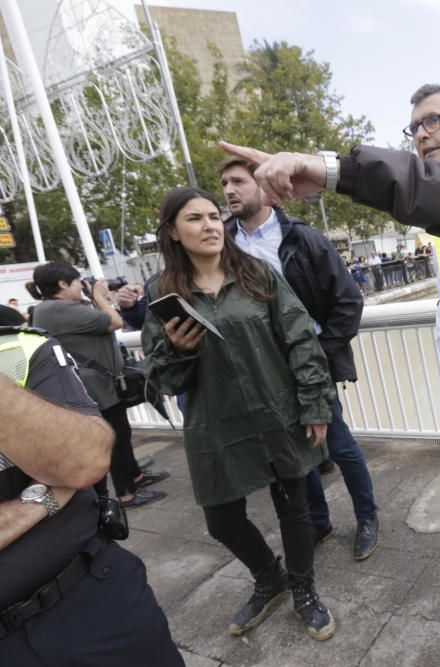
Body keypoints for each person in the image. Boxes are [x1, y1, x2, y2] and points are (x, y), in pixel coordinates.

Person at [220, 82, 440, 667]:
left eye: (433, 121)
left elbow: (426, 191)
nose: (420, 134)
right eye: (413, 127)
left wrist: (331, 169)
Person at [141, 187, 336, 641]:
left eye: (213, 216)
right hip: (216, 422)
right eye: (194, 219)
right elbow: (163, 378)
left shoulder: (256, 273)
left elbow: (301, 340)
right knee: (222, 520)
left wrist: (314, 402)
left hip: (277, 410)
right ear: (173, 231)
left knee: (295, 508)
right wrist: (178, 350)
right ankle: (270, 577)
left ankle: (304, 587)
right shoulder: (163, 294)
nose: (209, 225)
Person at [219, 156, 380, 559]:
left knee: (339, 445)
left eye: (238, 181)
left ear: (266, 190)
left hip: (311, 363)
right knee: (297, 456)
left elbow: (348, 299)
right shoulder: (223, 243)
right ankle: (320, 523)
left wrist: (320, 355)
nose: (229, 190)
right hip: (263, 371)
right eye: (224, 184)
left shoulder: (304, 239)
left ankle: (368, 518)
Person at [0, 321, 182, 665]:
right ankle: (130, 488)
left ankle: (131, 486)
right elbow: (110, 320)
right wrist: (40, 501)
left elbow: (84, 463)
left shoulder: (16, 349)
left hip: (90, 595)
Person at [27, 262, 168, 509]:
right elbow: (114, 322)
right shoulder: (58, 309)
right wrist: (99, 296)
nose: (80, 287)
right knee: (115, 439)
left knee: (121, 433)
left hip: (95, 384)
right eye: (76, 282)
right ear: (62, 284)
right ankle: (127, 494)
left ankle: (136, 477)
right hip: (96, 387)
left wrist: (92, 297)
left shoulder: (52, 309)